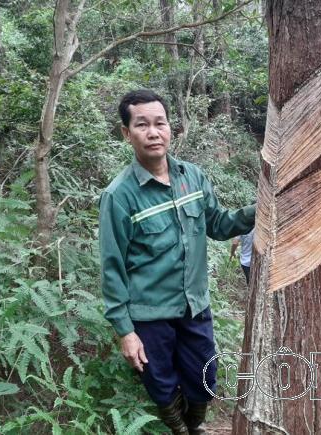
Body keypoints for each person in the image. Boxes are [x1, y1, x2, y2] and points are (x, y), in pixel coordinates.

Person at [98, 89, 255, 435]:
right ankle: (183, 431)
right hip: (149, 314)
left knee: (204, 378)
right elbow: (112, 267)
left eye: (160, 123)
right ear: (126, 133)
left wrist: (260, 211)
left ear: (171, 128)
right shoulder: (119, 195)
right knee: (161, 384)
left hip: (194, 305)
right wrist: (125, 331)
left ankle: (194, 423)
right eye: (142, 125)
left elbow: (218, 224)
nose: (153, 132)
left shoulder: (192, 177)